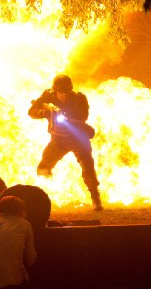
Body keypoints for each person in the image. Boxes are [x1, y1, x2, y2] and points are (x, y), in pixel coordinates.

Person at [28, 74, 103, 210]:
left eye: (66, 93)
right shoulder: (48, 96)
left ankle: (96, 199)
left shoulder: (79, 98)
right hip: (58, 140)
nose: (63, 96)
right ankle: (42, 197)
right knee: (43, 167)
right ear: (55, 91)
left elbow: (83, 116)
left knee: (88, 168)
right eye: (60, 93)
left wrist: (67, 115)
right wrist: (46, 111)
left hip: (78, 138)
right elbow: (31, 112)